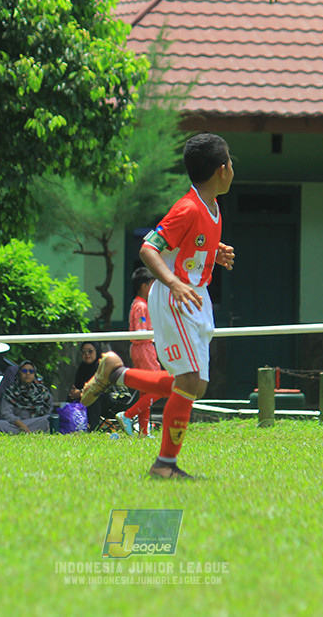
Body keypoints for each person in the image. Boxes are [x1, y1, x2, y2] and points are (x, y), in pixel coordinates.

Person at [81, 133, 236, 479]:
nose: (232, 169)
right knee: (189, 380)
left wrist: (213, 252)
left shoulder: (211, 207)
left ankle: (116, 373)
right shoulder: (187, 207)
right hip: (175, 297)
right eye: (230, 163)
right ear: (222, 170)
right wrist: (174, 283)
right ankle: (164, 464)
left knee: (194, 386)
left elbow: (189, 245)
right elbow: (149, 248)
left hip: (195, 297)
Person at [117, 266, 164, 437]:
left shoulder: (139, 304)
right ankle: (128, 415)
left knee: (145, 390)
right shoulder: (141, 306)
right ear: (144, 286)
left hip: (140, 348)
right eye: (152, 284)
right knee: (160, 387)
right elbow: (141, 331)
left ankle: (144, 431)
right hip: (144, 348)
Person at [72, 341, 135, 432]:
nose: (87, 354)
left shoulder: (104, 365)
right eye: (84, 352)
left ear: (97, 351)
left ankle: (92, 429)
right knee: (72, 397)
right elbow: (78, 386)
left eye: (90, 351)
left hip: (118, 400)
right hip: (97, 399)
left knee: (95, 395)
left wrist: (81, 392)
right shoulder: (82, 368)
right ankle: (69, 427)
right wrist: (75, 393)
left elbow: (104, 387)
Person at [0, 360, 54, 434]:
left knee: (49, 419)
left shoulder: (42, 391)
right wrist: (22, 426)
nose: (28, 374)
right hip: (16, 424)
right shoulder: (10, 392)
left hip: (35, 422)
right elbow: (6, 413)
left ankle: (24, 433)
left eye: (31, 371)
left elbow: (49, 409)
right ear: (19, 373)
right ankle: (28, 432)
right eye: (24, 371)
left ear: (34, 374)